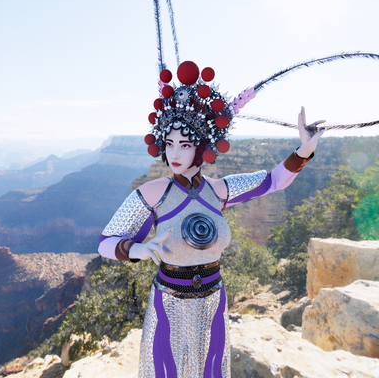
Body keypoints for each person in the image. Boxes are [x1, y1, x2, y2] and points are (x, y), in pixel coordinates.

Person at [98, 61, 324, 378]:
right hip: (169, 300)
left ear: (202, 147)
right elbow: (105, 244)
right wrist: (137, 250)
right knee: (168, 369)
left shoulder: (219, 191)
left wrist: (303, 150)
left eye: (185, 144)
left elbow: (272, 181)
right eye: (170, 143)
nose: (175, 152)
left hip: (213, 298)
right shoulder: (153, 193)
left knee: (210, 368)